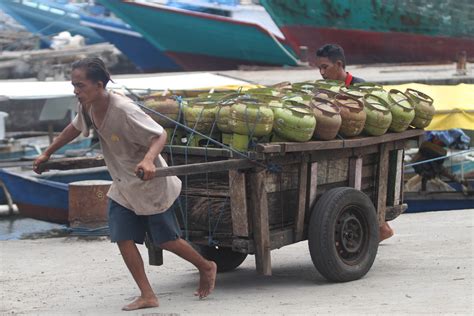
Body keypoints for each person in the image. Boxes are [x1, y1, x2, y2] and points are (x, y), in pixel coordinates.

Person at [33, 57, 217, 311]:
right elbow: (74, 128)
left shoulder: (123, 109)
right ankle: (147, 295)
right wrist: (48, 152)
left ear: (99, 85)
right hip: (123, 183)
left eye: (80, 85)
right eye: (73, 85)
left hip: (150, 183)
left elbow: (159, 134)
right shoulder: (87, 106)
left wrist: (149, 161)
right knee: (122, 236)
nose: (75, 90)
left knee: (166, 240)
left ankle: (206, 266)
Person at [315, 43, 394, 242]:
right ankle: (379, 228)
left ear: (339, 64)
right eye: (319, 68)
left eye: (325, 67)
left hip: (362, 153)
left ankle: (380, 227)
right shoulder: (323, 89)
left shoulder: (361, 88)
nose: (321, 73)